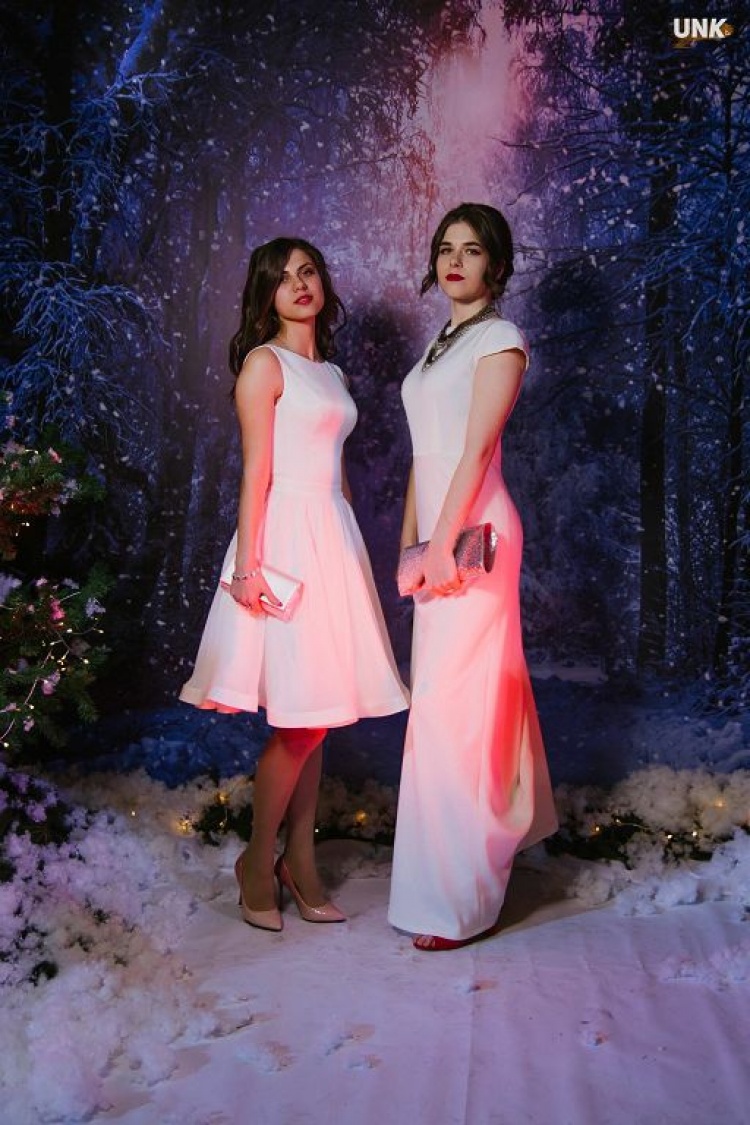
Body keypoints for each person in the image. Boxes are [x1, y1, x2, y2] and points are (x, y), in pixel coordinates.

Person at [181, 237, 409, 933]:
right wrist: (248, 567)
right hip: (282, 536)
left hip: (330, 535)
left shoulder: (332, 372)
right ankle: (259, 861)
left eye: (307, 271)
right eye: (283, 278)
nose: (299, 284)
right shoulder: (264, 363)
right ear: (267, 296)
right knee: (299, 720)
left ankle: (299, 860)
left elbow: (334, 466)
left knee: (316, 711)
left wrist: (351, 548)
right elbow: (256, 471)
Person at [388, 203, 558, 951]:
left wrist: (440, 547)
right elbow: (421, 455)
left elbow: (475, 451)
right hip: (439, 537)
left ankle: (462, 901)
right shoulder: (438, 346)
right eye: (446, 248)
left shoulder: (500, 339)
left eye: (473, 250)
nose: (455, 260)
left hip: (478, 538)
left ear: (498, 265)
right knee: (439, 708)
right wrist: (410, 544)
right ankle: (444, 883)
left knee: (459, 713)